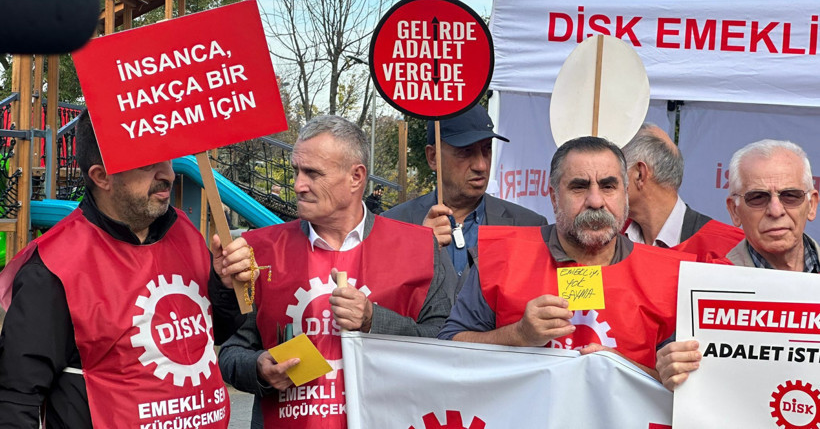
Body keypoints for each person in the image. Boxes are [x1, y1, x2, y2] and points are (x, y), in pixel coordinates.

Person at [0, 110, 245, 428]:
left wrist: (225, 286)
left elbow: (213, 334)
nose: (168, 174)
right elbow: (16, 401)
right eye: (147, 163)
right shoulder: (53, 268)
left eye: (168, 159)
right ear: (102, 177)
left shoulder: (184, 231)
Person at [218, 115, 455, 428]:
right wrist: (260, 368)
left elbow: (448, 348)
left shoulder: (420, 249)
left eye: (312, 173)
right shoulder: (258, 251)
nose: (298, 185)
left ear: (356, 177)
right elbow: (230, 353)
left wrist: (374, 320)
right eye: (296, 171)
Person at [439, 136, 694, 376]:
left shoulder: (667, 275)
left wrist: (623, 370)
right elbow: (446, 350)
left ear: (625, 195)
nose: (595, 201)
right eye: (579, 187)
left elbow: (682, 386)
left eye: (608, 186)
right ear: (553, 197)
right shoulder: (502, 257)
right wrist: (518, 335)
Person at [657, 139, 820, 391]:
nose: (776, 210)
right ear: (734, 211)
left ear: (812, 204)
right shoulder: (701, 292)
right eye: (758, 198)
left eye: (790, 196)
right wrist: (669, 370)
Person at [383, 104, 547, 277]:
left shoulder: (529, 227)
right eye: (466, 151)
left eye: (487, 149)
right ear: (433, 157)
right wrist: (417, 253)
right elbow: (380, 299)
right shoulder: (392, 226)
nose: (481, 165)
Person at [621, 123, 744, 260]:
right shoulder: (608, 238)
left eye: (613, 172)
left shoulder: (730, 248)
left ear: (640, 174)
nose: (598, 193)